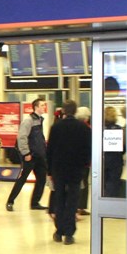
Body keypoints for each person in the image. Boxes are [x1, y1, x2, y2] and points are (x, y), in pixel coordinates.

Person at [46, 100, 92, 245]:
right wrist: (84, 165)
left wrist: (49, 170)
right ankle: (69, 233)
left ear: (64, 111)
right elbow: (87, 149)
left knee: (59, 199)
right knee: (73, 201)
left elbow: (50, 150)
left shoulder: (56, 127)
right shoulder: (83, 128)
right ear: (75, 111)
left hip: (59, 169)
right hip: (76, 169)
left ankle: (59, 231)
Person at [6, 98, 49, 212]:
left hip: (40, 156)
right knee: (22, 178)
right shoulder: (28, 120)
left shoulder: (40, 120)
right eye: (42, 105)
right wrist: (26, 152)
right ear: (36, 107)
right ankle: (10, 201)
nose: (44, 107)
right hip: (31, 156)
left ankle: (35, 202)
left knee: (41, 179)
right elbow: (21, 137)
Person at [102, 105, 125, 198]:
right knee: (114, 185)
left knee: (104, 185)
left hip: (103, 160)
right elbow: (123, 147)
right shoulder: (119, 129)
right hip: (116, 161)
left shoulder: (101, 129)